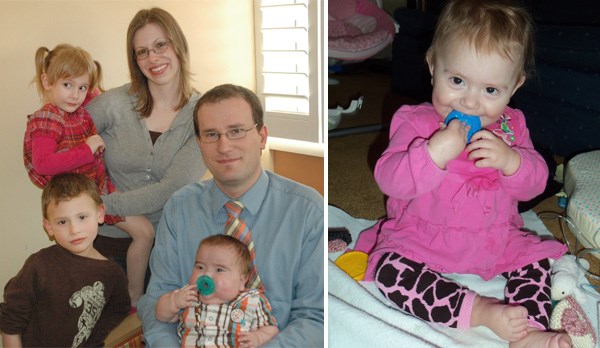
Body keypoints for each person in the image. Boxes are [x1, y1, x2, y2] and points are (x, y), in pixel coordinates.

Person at [357, 1, 571, 347]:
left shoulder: (512, 128)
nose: (470, 103)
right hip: (423, 239)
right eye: (457, 80)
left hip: (494, 239)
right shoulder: (416, 122)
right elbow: (389, 179)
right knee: (388, 272)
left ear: (514, 86)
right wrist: (432, 154)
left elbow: (536, 181)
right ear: (432, 65)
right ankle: (478, 311)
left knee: (537, 261)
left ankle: (528, 330)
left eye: (490, 91)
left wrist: (511, 161)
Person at [137, 84, 324, 346]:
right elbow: (156, 300)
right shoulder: (180, 207)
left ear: (262, 136)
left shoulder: (307, 211)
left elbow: (316, 317)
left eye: (236, 131)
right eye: (211, 135)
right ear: (200, 143)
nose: (224, 147)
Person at [86, 7, 207, 305]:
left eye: (160, 45)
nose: (153, 59)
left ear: (178, 45)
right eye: (142, 52)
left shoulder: (203, 114)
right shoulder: (113, 103)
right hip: (107, 244)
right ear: (135, 60)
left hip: (170, 250)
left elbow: (170, 189)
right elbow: (63, 139)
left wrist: (98, 206)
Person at [23, 43, 154, 307]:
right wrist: (87, 149)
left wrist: (91, 85)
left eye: (81, 87)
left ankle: (134, 296)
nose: (75, 95)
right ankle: (122, 296)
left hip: (98, 190)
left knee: (145, 232)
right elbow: (43, 163)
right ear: (47, 82)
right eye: (67, 85)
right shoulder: (46, 119)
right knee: (87, 248)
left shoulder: (79, 111)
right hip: (75, 199)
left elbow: (96, 93)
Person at [0, 173, 130, 347]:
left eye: (82, 217)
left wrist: (93, 340)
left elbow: (117, 311)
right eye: (62, 222)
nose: (74, 229)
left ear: (100, 214)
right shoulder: (39, 265)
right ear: (49, 227)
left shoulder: (113, 274)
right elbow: (10, 322)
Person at [156, 234, 278, 347]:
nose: (207, 275)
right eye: (200, 267)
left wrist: (257, 337)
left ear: (242, 281)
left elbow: (271, 330)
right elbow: (161, 315)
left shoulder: (252, 300)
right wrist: (174, 302)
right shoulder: (188, 295)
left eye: (219, 270)